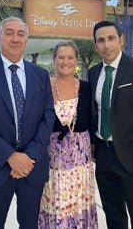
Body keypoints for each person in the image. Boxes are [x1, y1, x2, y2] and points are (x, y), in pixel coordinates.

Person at [0, 16, 55, 229]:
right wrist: (10, 156)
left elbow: (48, 116)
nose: (15, 38)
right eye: (9, 33)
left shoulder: (41, 75)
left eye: (21, 34)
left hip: (32, 168)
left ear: (27, 39)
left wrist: (29, 156)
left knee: (29, 224)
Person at [38, 40, 98, 228]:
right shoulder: (44, 87)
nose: (66, 61)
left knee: (78, 203)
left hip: (81, 160)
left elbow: (91, 120)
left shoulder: (86, 88)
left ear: (76, 60)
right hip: (53, 159)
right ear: (54, 60)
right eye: (61, 57)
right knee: (56, 201)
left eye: (70, 57)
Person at [88, 20, 133, 229]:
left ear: (121, 40)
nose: (107, 45)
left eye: (111, 38)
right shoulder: (93, 72)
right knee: (113, 214)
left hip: (130, 154)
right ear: (95, 45)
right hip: (104, 156)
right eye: (101, 41)